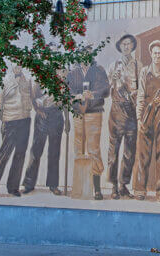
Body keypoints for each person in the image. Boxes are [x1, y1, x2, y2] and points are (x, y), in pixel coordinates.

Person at [0, 64, 35, 197]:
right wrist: (6, 119)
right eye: (16, 65)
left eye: (20, 65)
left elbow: (32, 99)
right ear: (12, 66)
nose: (18, 67)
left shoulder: (27, 80)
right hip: (10, 121)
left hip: (25, 120)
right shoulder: (4, 81)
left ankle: (13, 188)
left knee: (20, 154)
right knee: (4, 155)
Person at [133, 40, 160, 201]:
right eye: (154, 53)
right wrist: (139, 118)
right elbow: (140, 96)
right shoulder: (144, 72)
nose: (157, 56)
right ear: (151, 54)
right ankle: (140, 189)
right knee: (143, 154)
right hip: (147, 114)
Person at [67, 58, 111, 200]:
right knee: (78, 148)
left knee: (93, 148)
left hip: (94, 111)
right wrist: (79, 96)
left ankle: (97, 188)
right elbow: (67, 91)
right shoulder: (73, 72)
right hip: (78, 112)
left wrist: (93, 94)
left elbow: (106, 90)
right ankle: (79, 187)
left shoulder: (99, 70)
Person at [21, 77, 71, 196]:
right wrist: (38, 110)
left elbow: (65, 102)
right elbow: (32, 97)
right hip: (42, 118)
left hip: (56, 117)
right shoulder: (38, 81)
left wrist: (67, 119)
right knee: (36, 151)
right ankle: (28, 184)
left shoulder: (61, 82)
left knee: (54, 153)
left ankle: (53, 185)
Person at [108, 34, 141, 199]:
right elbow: (105, 92)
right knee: (113, 150)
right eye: (123, 44)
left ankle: (123, 185)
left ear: (132, 46)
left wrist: (135, 94)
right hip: (116, 109)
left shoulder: (138, 66)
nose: (126, 47)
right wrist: (112, 81)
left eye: (129, 44)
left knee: (129, 151)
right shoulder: (113, 66)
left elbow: (142, 90)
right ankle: (113, 185)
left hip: (131, 111)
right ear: (120, 47)